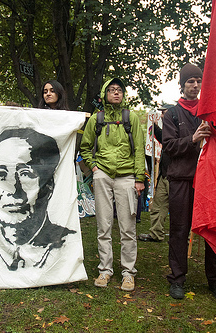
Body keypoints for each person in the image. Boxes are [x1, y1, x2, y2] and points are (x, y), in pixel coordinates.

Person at [162, 64, 216, 300]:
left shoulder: (211, 111)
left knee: (212, 229)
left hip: (208, 180)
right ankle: (177, 279)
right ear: (182, 85)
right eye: (190, 81)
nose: (195, 85)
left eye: (198, 81)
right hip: (181, 179)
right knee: (179, 230)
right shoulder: (172, 114)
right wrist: (193, 138)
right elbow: (168, 146)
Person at [0, 128, 76, 270]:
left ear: (48, 185)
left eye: (25, 173)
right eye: (1, 174)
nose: (13, 190)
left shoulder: (67, 243)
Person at [80, 78, 146, 292]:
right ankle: (105, 270)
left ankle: (128, 273)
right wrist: (94, 169)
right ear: (104, 93)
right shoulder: (96, 119)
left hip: (127, 177)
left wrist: (139, 179)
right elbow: (85, 147)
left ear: (123, 94)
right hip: (103, 176)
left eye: (119, 90)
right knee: (103, 226)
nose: (116, 93)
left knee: (128, 227)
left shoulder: (131, 118)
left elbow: (139, 150)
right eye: (111, 90)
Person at [139, 104, 173, 242]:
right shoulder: (168, 129)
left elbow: (169, 140)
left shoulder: (178, 129)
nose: (162, 116)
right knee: (158, 206)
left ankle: (184, 236)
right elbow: (164, 139)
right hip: (164, 175)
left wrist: (156, 129)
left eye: (164, 113)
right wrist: (154, 127)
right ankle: (156, 233)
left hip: (176, 176)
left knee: (180, 209)